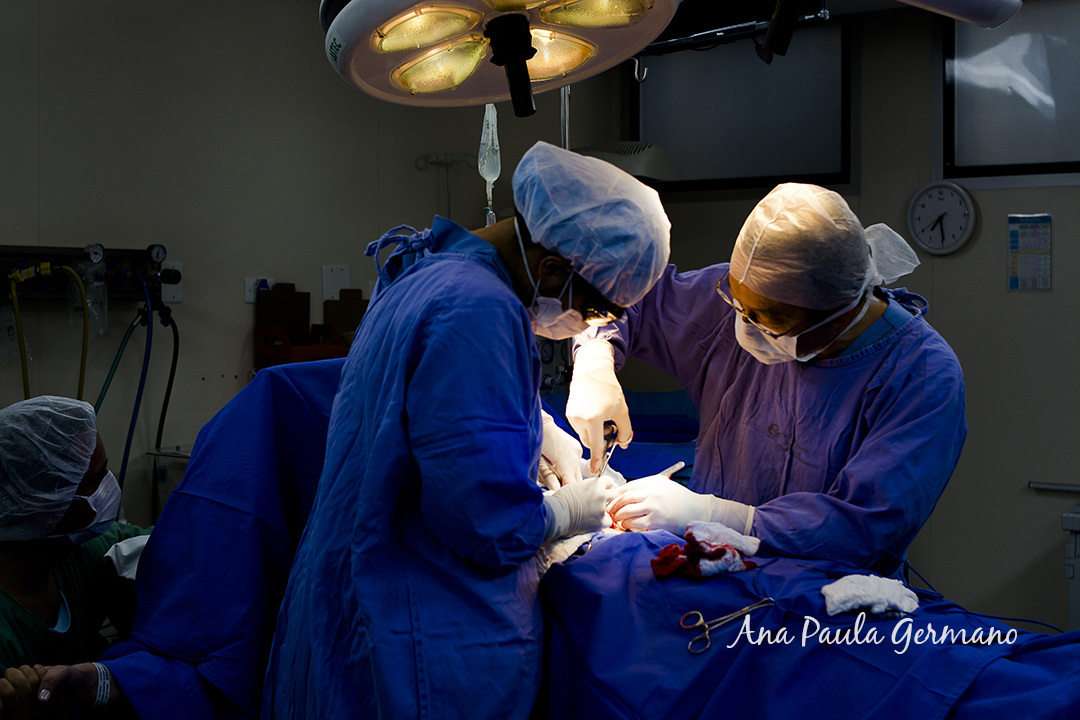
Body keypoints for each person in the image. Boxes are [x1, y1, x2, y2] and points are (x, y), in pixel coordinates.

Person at [261, 140, 671, 719]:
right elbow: (484, 523)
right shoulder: (481, 309)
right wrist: (564, 511)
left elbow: (424, 423)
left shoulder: (423, 268)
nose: (589, 322)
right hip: (417, 639)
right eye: (596, 309)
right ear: (553, 268)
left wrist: (533, 427)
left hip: (351, 595)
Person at [564, 182, 966, 575]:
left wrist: (719, 516)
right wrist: (595, 358)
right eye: (737, 304)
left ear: (839, 312)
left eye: (768, 319)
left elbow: (865, 526)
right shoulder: (742, 297)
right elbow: (627, 295)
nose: (744, 325)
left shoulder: (921, 375)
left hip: (819, 607)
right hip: (708, 574)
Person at [0, 396, 149, 716]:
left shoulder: (73, 553)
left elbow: (163, 543)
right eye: (97, 479)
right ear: (43, 504)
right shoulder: (6, 627)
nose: (109, 488)